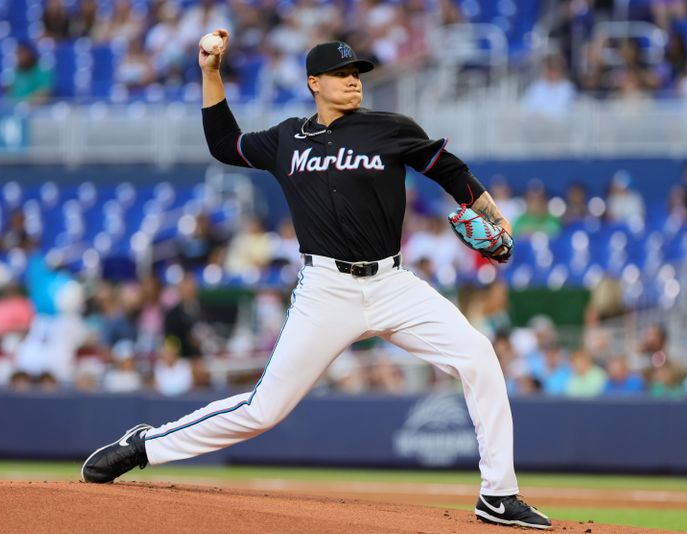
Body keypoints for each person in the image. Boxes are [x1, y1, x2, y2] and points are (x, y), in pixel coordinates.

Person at [81, 33, 550, 530]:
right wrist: (211, 72)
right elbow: (225, 145)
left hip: (393, 284)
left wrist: (491, 212)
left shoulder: (389, 129)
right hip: (326, 290)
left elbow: (447, 169)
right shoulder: (287, 139)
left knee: (478, 356)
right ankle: (146, 445)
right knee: (264, 410)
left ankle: (498, 494)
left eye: (358, 74)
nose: (354, 82)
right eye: (342, 75)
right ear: (314, 83)